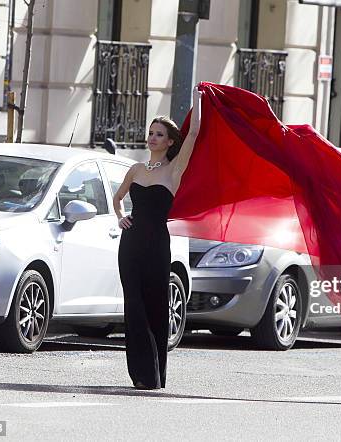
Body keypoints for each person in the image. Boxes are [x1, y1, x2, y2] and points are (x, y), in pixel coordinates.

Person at [113, 85, 202, 389]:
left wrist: (198, 100)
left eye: (159, 134)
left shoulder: (175, 170)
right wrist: (120, 216)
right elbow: (117, 198)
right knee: (133, 306)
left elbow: (193, 135)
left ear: (170, 141)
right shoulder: (136, 169)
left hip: (157, 248)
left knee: (155, 307)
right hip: (130, 245)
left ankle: (155, 375)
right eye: (151, 132)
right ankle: (143, 373)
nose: (153, 137)